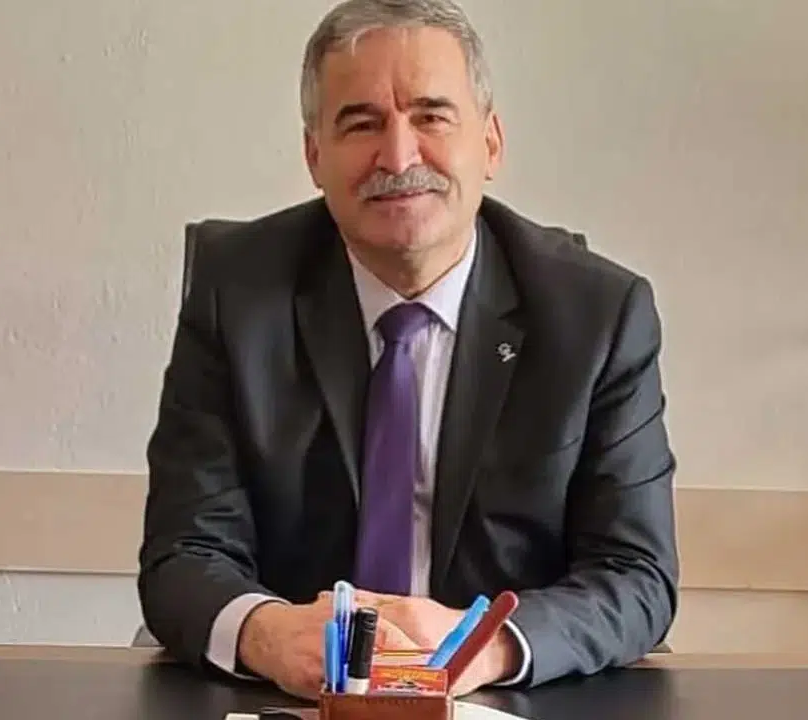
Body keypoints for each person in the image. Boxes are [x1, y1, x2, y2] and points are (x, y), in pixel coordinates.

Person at [138, 0, 679, 700]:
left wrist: (485, 648)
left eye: (431, 116)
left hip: (500, 697)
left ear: (490, 143)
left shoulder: (598, 316)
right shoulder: (236, 296)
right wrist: (268, 633)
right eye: (361, 123)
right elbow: (184, 552)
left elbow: (636, 575)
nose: (398, 157)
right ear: (314, 156)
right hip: (287, 695)